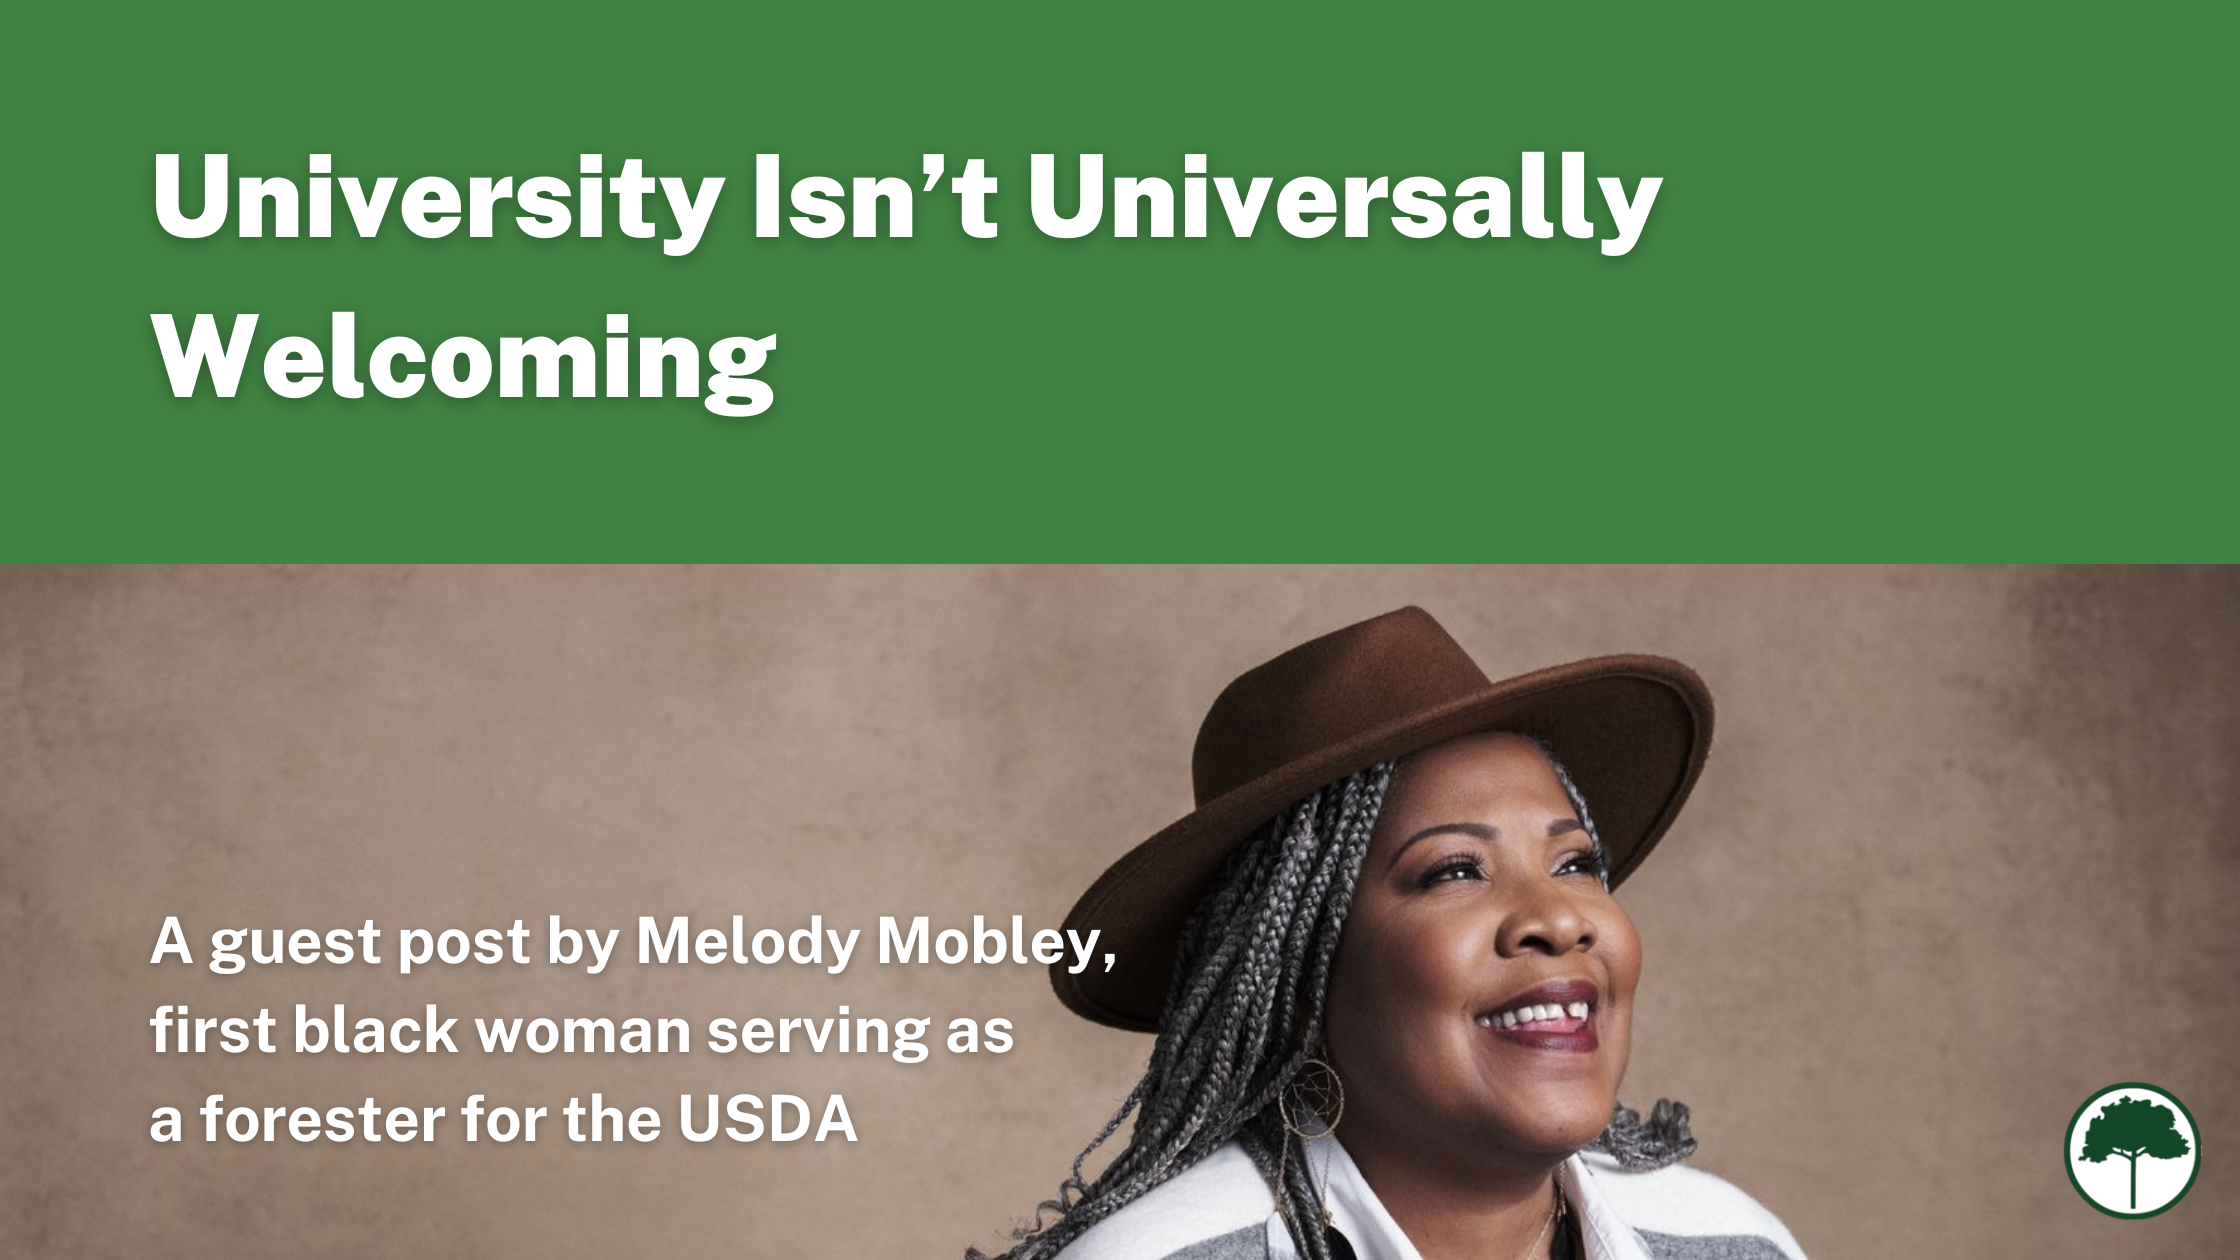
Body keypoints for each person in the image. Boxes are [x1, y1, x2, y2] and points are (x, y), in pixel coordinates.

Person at [971, 607, 1807, 1260]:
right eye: (1453, 871)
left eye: (1575, 863)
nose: (1557, 920)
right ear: (1303, 968)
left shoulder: (1730, 1242)